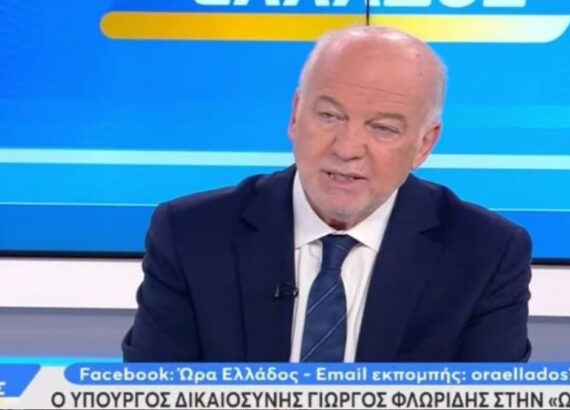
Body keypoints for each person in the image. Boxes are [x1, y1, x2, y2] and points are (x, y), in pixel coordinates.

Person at [122, 26, 532, 362]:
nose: (347, 148)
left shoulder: (485, 253)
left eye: (383, 128)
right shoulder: (191, 234)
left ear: (424, 144)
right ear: (295, 115)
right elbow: (153, 395)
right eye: (330, 115)